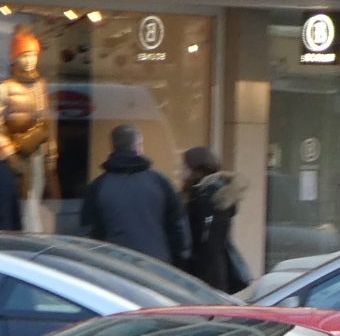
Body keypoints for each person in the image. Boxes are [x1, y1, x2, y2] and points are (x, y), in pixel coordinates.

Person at [78, 125, 190, 269]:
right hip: (158, 267)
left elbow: (88, 235)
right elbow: (179, 230)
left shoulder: (99, 186)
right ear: (138, 146)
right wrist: (179, 265)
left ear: (112, 147)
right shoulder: (161, 182)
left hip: (115, 268)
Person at [180, 145, 248, 292]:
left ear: (196, 169)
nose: (181, 172)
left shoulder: (210, 195)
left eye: (184, 167)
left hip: (208, 277)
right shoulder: (201, 193)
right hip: (209, 272)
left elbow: (209, 244)